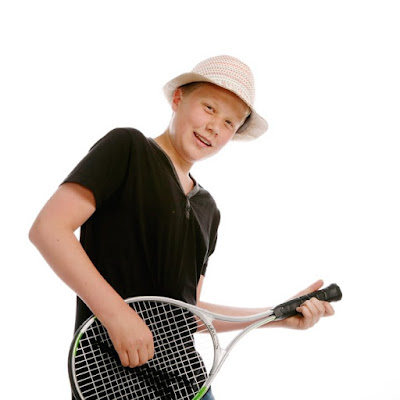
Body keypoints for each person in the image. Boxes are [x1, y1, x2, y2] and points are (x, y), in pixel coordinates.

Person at [29, 55, 335, 400]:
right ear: (178, 99)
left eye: (229, 122)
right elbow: (48, 229)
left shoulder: (208, 209)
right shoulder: (127, 148)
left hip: (188, 384)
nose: (215, 126)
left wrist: (275, 315)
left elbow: (189, 313)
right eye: (209, 108)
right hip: (112, 373)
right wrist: (116, 315)